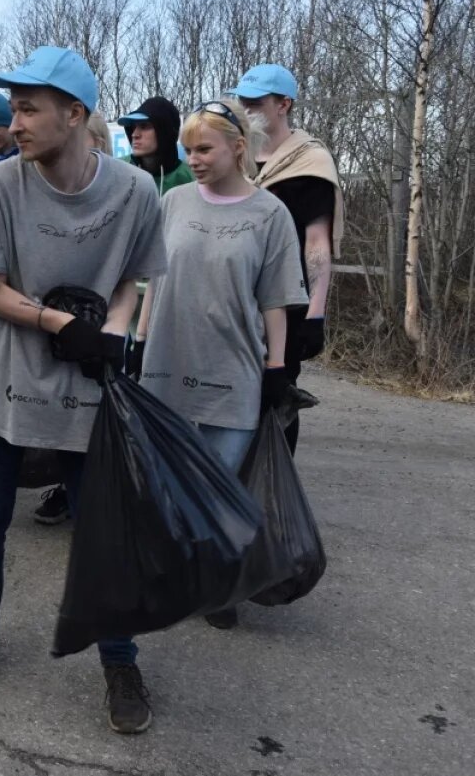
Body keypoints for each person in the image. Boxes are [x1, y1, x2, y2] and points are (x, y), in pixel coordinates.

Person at [0, 47, 167, 734]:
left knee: (104, 533)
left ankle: (119, 660)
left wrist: (114, 332)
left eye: (29, 107)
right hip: (5, 387)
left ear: (75, 114)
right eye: (13, 107)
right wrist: (59, 322)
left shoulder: (134, 193)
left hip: (90, 393)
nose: (15, 120)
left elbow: (133, 278)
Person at [131, 99, 308, 631]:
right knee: (168, 478)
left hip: (233, 366)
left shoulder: (270, 213)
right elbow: (152, 276)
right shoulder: (175, 201)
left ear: (238, 148)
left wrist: (278, 366)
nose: (195, 158)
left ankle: (214, 582)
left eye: (204, 148)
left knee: (219, 482)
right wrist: (139, 340)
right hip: (166, 358)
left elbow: (277, 297)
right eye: (188, 150)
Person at [231, 64, 343, 455]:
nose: (247, 110)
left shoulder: (309, 163)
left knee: (276, 393)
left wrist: (315, 312)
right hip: (233, 292)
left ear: (283, 104)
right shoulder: (235, 156)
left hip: (286, 301)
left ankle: (273, 490)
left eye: (256, 103)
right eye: (242, 102)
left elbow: (316, 241)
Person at [30, 108, 115, 526]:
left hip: (108, 325)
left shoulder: (123, 195)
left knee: (97, 420)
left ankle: (101, 503)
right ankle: (71, 491)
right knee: (68, 415)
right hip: (62, 324)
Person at [117, 96, 194, 194]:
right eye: (133, 127)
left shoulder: (190, 177)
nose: (134, 134)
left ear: (164, 132)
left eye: (144, 126)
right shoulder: (119, 170)